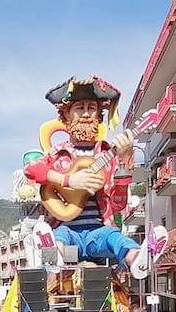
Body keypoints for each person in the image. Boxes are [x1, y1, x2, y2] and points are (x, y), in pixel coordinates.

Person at [21, 75, 149, 278]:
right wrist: (69, 180)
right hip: (66, 228)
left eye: (92, 108)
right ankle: (51, 257)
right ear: (67, 116)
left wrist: (124, 165)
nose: (86, 114)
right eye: (80, 108)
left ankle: (137, 258)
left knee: (114, 238)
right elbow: (31, 169)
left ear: (99, 115)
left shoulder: (109, 154)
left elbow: (118, 205)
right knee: (58, 239)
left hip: (98, 230)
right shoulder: (57, 153)